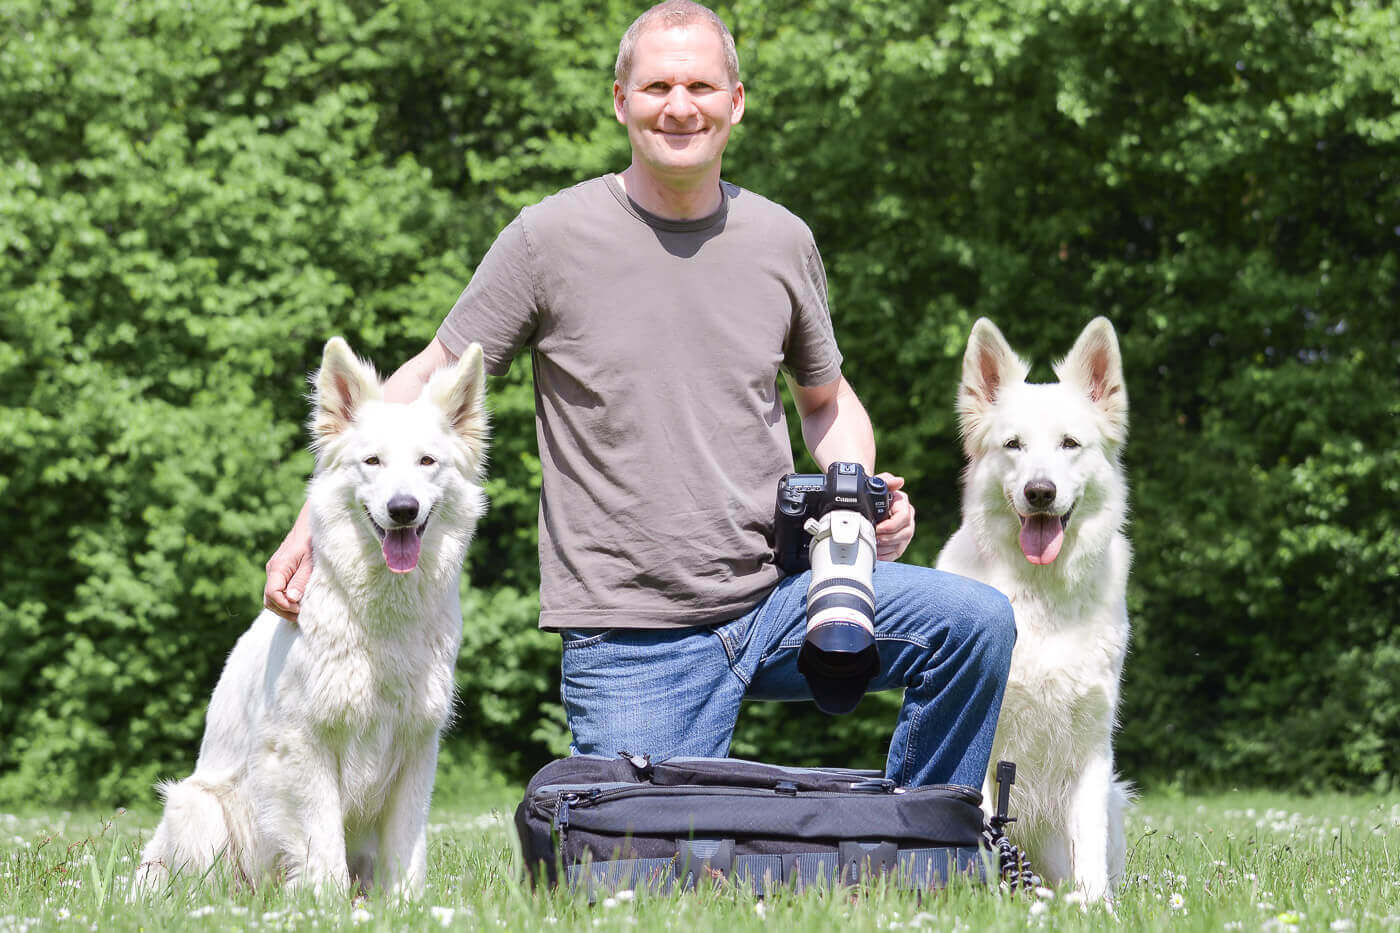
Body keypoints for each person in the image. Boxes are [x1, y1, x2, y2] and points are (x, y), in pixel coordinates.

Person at [264, 0, 1014, 789]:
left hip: (783, 596)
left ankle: (928, 845)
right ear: (620, 101)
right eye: (657, 86)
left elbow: (825, 402)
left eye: (701, 85)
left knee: (975, 624)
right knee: (655, 881)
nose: (680, 106)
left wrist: (857, 500)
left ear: (737, 101)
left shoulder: (782, 240)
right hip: (631, 637)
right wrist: (314, 519)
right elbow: (427, 373)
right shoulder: (545, 239)